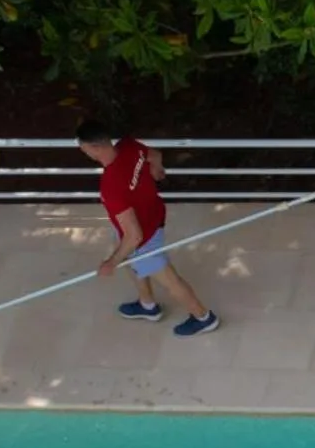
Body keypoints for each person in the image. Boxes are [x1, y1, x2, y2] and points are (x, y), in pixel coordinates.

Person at [76, 120, 220, 337]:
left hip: (144, 237)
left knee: (170, 281)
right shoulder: (129, 146)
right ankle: (147, 305)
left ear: (94, 148)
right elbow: (154, 155)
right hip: (154, 214)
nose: (82, 150)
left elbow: (134, 237)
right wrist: (157, 171)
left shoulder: (111, 187)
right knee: (129, 257)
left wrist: (111, 263)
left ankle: (203, 317)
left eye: (82, 146)